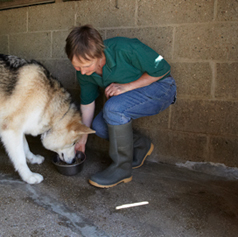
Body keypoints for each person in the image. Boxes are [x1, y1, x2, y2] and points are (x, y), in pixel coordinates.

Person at [65, 25, 177, 188]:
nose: (81, 71)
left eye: (86, 65)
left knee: (113, 108)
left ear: (99, 54)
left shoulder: (125, 48)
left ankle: (121, 169)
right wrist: (82, 140)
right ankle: (141, 145)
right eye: (76, 66)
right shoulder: (85, 73)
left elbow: (163, 69)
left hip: (162, 88)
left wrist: (127, 86)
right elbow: (87, 104)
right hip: (132, 96)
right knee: (99, 126)